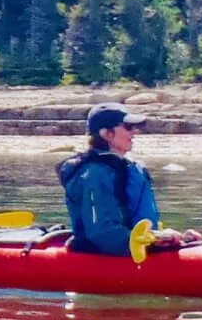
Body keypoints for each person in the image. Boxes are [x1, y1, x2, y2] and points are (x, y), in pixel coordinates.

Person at [57, 103, 194, 257]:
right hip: (104, 253)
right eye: (128, 127)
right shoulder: (93, 174)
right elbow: (102, 232)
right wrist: (154, 240)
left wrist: (169, 237)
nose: (134, 132)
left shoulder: (128, 168)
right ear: (107, 133)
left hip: (137, 245)